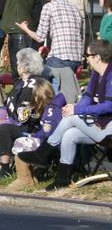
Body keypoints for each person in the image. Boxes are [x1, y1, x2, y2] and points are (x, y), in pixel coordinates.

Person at [20, 39, 112, 190]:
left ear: (97, 57)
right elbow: (88, 97)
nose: (85, 58)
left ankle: (43, 153)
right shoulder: (97, 74)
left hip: (108, 127)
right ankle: (62, 179)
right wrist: (74, 107)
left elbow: (109, 106)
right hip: (98, 124)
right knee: (70, 134)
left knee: (72, 119)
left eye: (87, 55)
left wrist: (77, 111)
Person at [0, 48, 50, 177]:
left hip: (31, 127)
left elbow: (22, 118)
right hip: (17, 120)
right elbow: (6, 106)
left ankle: (5, 168)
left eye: (18, 63)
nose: (17, 66)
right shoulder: (20, 83)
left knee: (3, 129)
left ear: (23, 68)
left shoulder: (34, 86)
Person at [15, 0, 83, 74]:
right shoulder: (74, 9)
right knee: (63, 88)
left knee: (42, 85)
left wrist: (25, 28)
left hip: (59, 59)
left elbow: (40, 37)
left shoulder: (49, 7)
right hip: (76, 59)